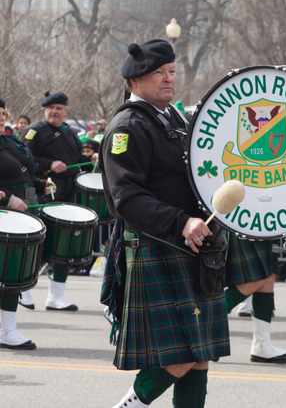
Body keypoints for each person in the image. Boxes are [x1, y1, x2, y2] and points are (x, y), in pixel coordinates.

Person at [101, 39, 230, 407]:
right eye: (159, 73)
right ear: (134, 81)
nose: (169, 79)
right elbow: (126, 197)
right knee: (183, 352)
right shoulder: (127, 127)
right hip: (158, 245)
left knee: (198, 353)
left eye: (172, 71)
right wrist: (181, 222)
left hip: (192, 248)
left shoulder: (176, 118)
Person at [21, 91, 95, 312]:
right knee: (34, 244)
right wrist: (48, 164)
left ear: (65, 111)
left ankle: (56, 297)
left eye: (59, 108)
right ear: (45, 109)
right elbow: (23, 161)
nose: (54, 111)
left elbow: (75, 161)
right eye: (51, 108)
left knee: (63, 245)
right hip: (39, 192)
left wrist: (90, 159)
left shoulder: (70, 133)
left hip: (65, 194)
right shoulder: (35, 131)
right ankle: (21, 291)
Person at [0, 125, 56, 349]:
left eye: (2, 114)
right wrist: (7, 199)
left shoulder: (9, 142)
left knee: (11, 274)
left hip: (19, 213)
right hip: (6, 212)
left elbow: (24, 174)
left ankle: (7, 330)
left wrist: (41, 185)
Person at [223, 236, 286, 364]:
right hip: (246, 223)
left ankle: (262, 345)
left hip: (263, 226)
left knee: (268, 276)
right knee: (255, 279)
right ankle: (205, 319)